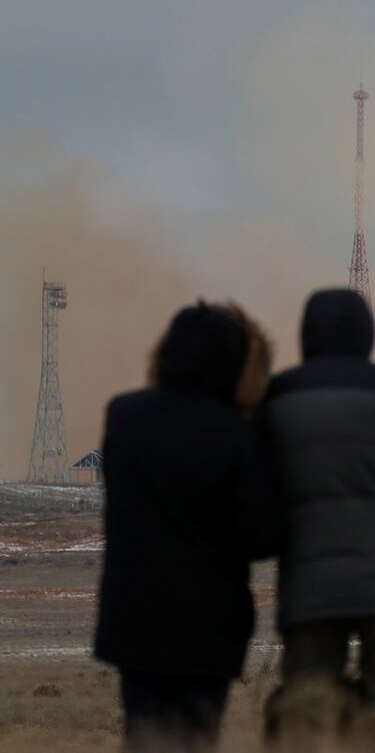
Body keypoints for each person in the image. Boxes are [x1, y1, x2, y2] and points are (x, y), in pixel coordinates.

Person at [262, 288, 375, 751]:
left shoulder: (278, 395)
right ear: (368, 334)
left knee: (308, 715)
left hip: (310, 586)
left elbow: (256, 490)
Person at [94, 301, 278, 752]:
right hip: (207, 632)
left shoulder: (124, 416)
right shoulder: (238, 434)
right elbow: (262, 537)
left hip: (133, 623)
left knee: (142, 735)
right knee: (196, 739)